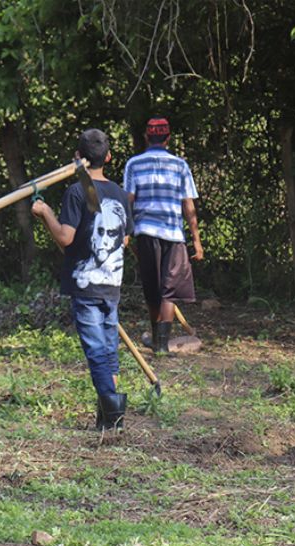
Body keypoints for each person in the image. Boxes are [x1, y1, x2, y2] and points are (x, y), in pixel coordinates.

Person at [30, 128, 134, 429]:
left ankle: (114, 417)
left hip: (87, 286)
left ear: (78, 158)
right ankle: (107, 418)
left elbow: (65, 237)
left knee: (96, 350)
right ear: (109, 157)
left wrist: (46, 211)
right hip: (112, 285)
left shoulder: (77, 193)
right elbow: (125, 240)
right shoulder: (118, 192)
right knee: (108, 349)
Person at [123, 117, 202, 354]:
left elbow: (128, 201)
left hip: (146, 232)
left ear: (147, 138)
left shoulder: (134, 164)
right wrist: (196, 241)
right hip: (173, 234)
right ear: (168, 139)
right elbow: (188, 206)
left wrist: (127, 232)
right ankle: (161, 345)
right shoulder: (180, 165)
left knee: (152, 288)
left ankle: (158, 340)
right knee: (170, 290)